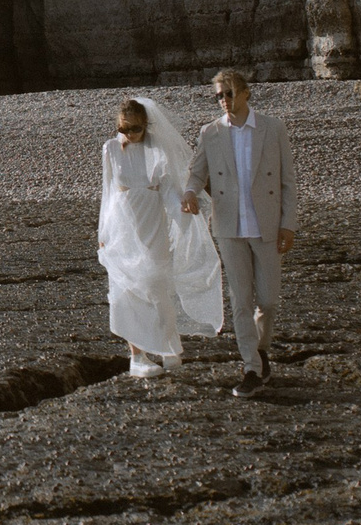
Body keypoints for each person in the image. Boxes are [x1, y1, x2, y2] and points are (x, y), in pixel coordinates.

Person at [181, 70, 299, 398]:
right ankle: (250, 366)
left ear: (246, 93)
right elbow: (196, 173)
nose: (225, 101)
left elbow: (288, 182)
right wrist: (190, 193)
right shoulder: (210, 133)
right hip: (229, 228)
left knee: (269, 300)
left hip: (267, 226)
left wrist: (288, 223)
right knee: (240, 301)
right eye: (219, 95)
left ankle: (260, 350)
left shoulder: (273, 129)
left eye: (230, 93)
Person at [97, 96, 223, 378]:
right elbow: (107, 193)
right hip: (121, 225)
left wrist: (184, 211)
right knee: (126, 288)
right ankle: (137, 355)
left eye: (135, 129)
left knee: (157, 284)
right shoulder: (110, 149)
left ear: (146, 126)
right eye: (124, 129)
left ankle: (168, 346)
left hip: (152, 222)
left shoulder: (157, 149)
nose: (129, 134)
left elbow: (167, 187)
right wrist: (102, 232)